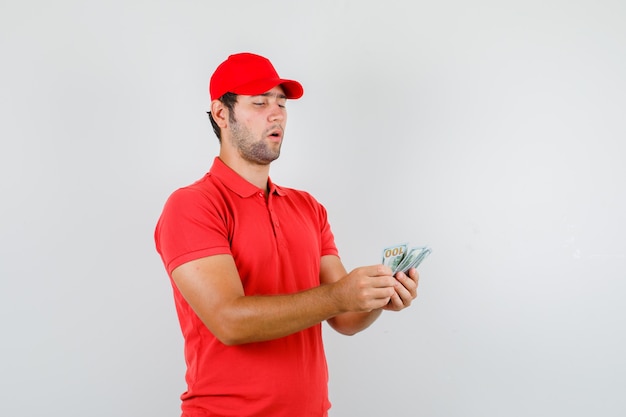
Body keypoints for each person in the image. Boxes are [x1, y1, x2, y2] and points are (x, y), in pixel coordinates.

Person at [154, 52, 420, 417]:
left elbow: (344, 317)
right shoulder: (192, 206)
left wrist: (377, 296)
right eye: (260, 102)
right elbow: (229, 321)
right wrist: (341, 295)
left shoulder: (308, 208)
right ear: (221, 114)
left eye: (281, 103)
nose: (276, 113)